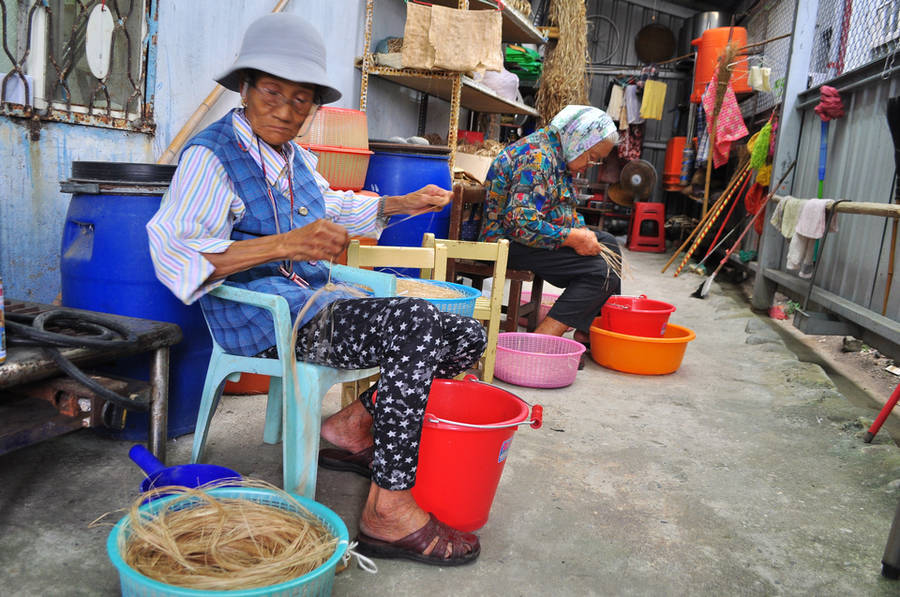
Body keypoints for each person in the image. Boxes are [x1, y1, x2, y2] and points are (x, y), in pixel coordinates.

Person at [147, 13, 485, 566]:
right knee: (415, 323)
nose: (285, 110)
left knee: (466, 335)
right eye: (273, 92)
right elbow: (177, 253)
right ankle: (388, 512)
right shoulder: (211, 157)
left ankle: (352, 428)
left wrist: (406, 202)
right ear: (245, 88)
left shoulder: (293, 158)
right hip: (268, 320)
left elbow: (336, 208)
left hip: (315, 306)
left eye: (301, 99)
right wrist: (284, 245)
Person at [478, 105, 622, 347]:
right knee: (600, 271)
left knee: (608, 243)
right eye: (592, 157)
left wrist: (580, 232)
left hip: (522, 239)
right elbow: (520, 224)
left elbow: (559, 207)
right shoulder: (537, 157)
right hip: (505, 243)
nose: (591, 164)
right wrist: (572, 238)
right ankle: (541, 341)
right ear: (579, 140)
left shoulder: (555, 152)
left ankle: (586, 328)